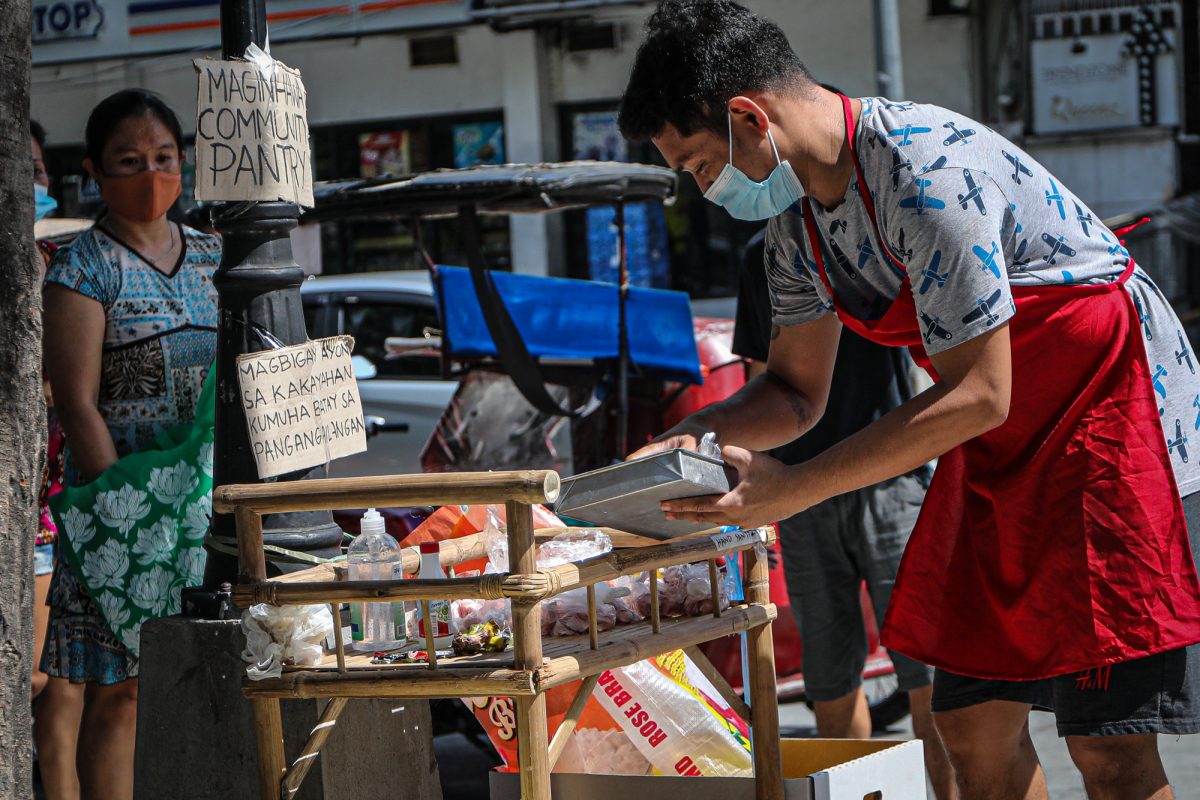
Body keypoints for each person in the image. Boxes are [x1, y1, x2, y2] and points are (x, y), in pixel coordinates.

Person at [618, 3, 1200, 799]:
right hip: (1002, 441)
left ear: (750, 118)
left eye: (696, 164)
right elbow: (794, 393)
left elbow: (980, 392)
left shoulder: (926, 173)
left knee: (1109, 748)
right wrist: (688, 438)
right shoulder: (794, 229)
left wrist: (796, 487)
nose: (701, 189)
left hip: (1108, 428)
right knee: (970, 725)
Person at [42, 89, 219, 800]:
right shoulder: (82, 267)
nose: (151, 174)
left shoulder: (216, 257)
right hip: (126, 513)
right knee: (122, 691)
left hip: (206, 509)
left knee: (197, 680)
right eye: (129, 160)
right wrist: (126, 511)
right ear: (94, 170)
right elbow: (77, 405)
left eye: (164, 158)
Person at [734, 229, 954, 799]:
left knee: (928, 674)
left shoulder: (864, 231)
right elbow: (761, 375)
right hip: (798, 489)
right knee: (830, 679)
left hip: (890, 479)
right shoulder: (756, 257)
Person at [31, 118, 86, 800]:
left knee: (67, 683)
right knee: (39, 678)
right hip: (32, 518)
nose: (33, 183)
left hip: (66, 508)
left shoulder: (61, 269)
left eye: (39, 169)